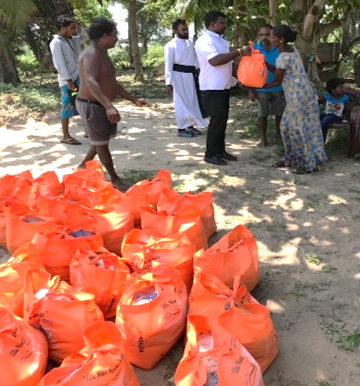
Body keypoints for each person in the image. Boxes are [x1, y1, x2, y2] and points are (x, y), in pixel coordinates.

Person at [75, 18, 150, 191]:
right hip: (92, 104)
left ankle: (82, 166)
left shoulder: (103, 53)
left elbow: (112, 83)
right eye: (115, 35)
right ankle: (114, 178)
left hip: (101, 104)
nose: (117, 38)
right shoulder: (91, 53)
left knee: (100, 139)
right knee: (101, 143)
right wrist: (108, 105)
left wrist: (133, 99)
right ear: (104, 36)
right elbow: (91, 82)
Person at [265, 25, 327, 174]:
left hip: (298, 94)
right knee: (286, 126)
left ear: (281, 40)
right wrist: (265, 64)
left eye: (272, 37)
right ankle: (292, 159)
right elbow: (282, 71)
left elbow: (277, 80)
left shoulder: (283, 56)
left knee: (299, 128)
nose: (269, 39)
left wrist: (256, 85)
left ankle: (307, 164)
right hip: (302, 92)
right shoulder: (291, 50)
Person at [195, 11, 244, 165]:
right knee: (216, 120)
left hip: (223, 85)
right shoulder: (204, 41)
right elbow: (215, 61)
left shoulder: (222, 41)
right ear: (211, 24)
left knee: (222, 120)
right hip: (211, 86)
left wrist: (240, 78)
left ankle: (220, 150)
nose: (224, 25)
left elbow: (229, 63)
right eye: (221, 22)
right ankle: (210, 154)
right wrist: (239, 52)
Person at [164, 19, 207, 137]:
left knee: (192, 101)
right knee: (180, 102)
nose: (186, 31)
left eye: (187, 29)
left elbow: (195, 59)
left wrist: (198, 69)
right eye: (183, 29)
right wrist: (169, 82)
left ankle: (190, 126)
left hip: (191, 76)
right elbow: (168, 64)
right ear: (175, 30)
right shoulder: (170, 45)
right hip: (177, 77)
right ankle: (181, 129)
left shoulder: (191, 43)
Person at [50, 15, 88, 145]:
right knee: (68, 104)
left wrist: (79, 26)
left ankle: (88, 130)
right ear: (63, 28)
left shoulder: (71, 40)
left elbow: (85, 37)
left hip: (78, 78)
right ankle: (66, 136)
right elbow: (59, 64)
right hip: (69, 81)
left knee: (82, 102)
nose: (74, 30)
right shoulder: (56, 43)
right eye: (71, 28)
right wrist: (68, 80)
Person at [248, 25, 286, 147]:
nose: (264, 37)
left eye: (267, 35)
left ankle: (279, 137)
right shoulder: (253, 49)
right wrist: (251, 90)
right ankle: (263, 138)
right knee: (262, 114)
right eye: (261, 35)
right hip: (260, 87)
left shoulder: (280, 49)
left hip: (279, 87)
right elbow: (249, 71)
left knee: (279, 114)